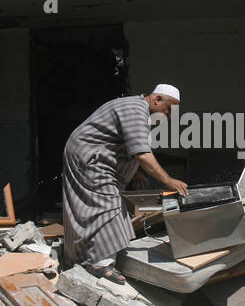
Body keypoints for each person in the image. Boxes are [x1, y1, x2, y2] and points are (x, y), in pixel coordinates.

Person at [61, 85, 189, 283]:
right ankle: (99, 263)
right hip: (89, 158)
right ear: (156, 100)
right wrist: (168, 181)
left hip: (92, 156)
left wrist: (134, 172)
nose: (169, 115)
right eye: (168, 109)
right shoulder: (135, 111)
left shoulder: (137, 109)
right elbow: (142, 153)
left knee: (97, 208)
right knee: (105, 205)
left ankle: (81, 256)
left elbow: (121, 143)